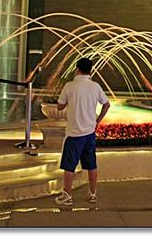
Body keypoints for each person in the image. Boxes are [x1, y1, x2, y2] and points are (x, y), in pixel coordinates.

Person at [54, 57, 110, 206]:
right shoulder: (95, 86)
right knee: (91, 164)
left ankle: (67, 195)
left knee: (69, 165)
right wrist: (97, 122)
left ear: (77, 69)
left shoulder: (70, 86)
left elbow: (59, 107)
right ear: (90, 70)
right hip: (90, 133)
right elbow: (106, 105)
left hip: (74, 133)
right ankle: (92, 194)